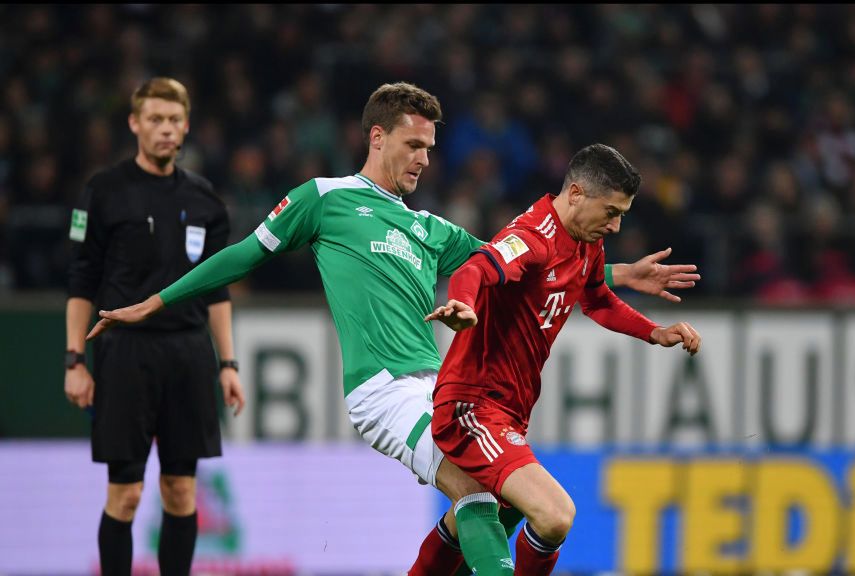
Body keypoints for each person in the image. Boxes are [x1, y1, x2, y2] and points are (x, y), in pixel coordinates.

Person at [86, 82, 699, 574]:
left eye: (430, 148)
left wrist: (616, 273)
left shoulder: (430, 229)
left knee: (493, 506)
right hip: (382, 387)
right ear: (377, 138)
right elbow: (243, 255)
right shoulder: (324, 200)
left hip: (438, 385)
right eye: (413, 145)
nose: (424, 159)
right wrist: (155, 303)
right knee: (481, 494)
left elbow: (523, 260)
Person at [426, 143, 701, 575]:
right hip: (471, 404)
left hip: (510, 410)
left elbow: (597, 300)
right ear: (575, 194)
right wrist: (463, 304)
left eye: (622, 213)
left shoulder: (584, 242)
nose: (615, 225)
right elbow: (473, 269)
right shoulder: (533, 238)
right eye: (611, 211)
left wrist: (655, 332)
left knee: (490, 515)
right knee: (554, 515)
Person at [64, 77, 246, 576]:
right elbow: (81, 282)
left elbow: (218, 289)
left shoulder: (206, 200)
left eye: (173, 120)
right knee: (124, 495)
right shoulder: (102, 192)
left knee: (181, 491)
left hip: (187, 355)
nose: (165, 129)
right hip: (124, 353)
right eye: (155, 120)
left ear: (185, 126)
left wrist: (228, 363)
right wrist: (75, 360)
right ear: (135, 124)